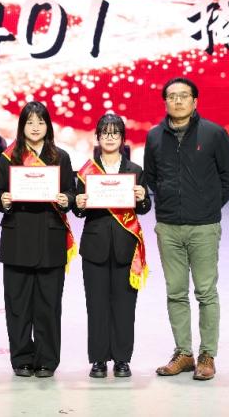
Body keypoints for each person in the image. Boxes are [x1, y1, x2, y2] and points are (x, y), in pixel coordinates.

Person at [143, 77, 229, 381]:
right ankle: (183, 353)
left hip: (204, 227)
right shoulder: (154, 136)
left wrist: (210, 206)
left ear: (195, 101)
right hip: (168, 226)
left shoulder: (213, 133)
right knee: (175, 292)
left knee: (206, 292)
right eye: (172, 96)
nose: (178, 101)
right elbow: (151, 176)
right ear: (165, 102)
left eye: (184, 95)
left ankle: (207, 355)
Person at [0, 101, 77, 378]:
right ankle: (22, 360)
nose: (36, 127)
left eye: (41, 122)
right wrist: (2, 200)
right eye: (30, 122)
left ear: (48, 126)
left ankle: (47, 360)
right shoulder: (9, 158)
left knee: (49, 305)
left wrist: (66, 199)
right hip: (17, 238)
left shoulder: (60, 157)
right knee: (17, 305)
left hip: (51, 238)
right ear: (22, 126)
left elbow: (72, 192)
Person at [73, 113, 151, 379]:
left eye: (115, 133)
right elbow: (78, 210)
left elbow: (145, 207)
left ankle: (122, 359)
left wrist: (142, 197)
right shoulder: (86, 171)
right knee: (96, 305)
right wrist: (78, 203)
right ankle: (98, 359)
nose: (109, 137)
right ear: (97, 137)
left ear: (122, 138)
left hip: (125, 246)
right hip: (95, 246)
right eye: (105, 133)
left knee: (124, 306)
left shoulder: (135, 170)